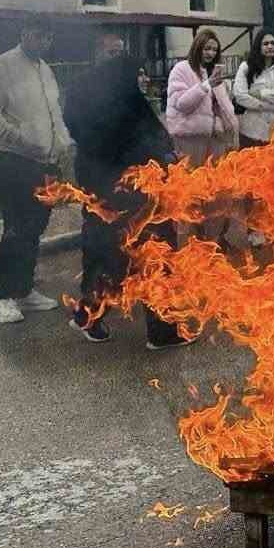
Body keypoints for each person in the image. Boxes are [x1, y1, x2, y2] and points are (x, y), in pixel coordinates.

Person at [61, 35, 187, 348]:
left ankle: (158, 329)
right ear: (96, 54)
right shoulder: (84, 91)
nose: (117, 58)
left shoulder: (126, 93)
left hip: (131, 188)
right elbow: (105, 138)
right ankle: (98, 319)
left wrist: (167, 157)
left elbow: (154, 136)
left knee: (133, 255)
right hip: (115, 191)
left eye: (120, 52)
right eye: (110, 53)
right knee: (120, 254)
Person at [0, 19, 73, 325]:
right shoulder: (1, 66)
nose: (44, 40)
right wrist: (20, 138)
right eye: (39, 33)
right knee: (16, 227)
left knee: (35, 225)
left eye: (49, 35)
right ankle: (4, 297)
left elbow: (53, 113)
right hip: (11, 160)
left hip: (44, 162)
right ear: (24, 34)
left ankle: (25, 289)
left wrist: (61, 144)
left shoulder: (45, 69)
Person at [165, 28, 239, 165]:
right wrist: (206, 85)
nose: (211, 53)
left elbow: (221, 108)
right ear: (198, 47)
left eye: (214, 50)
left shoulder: (214, 73)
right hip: (189, 138)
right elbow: (182, 105)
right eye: (207, 48)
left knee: (215, 182)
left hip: (217, 139)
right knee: (191, 180)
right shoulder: (181, 69)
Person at [233, 30, 274, 148]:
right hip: (251, 131)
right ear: (258, 46)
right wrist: (269, 105)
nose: (270, 46)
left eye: (273, 43)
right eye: (265, 44)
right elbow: (240, 96)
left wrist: (262, 93)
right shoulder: (246, 67)